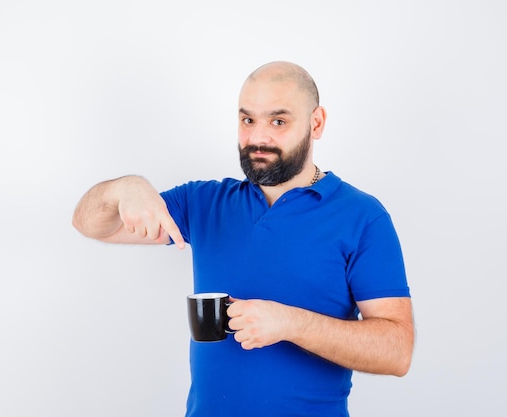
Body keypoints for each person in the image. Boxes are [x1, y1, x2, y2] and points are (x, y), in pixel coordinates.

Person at [72, 61, 414, 417]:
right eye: (248, 120)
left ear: (316, 123)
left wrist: (290, 324)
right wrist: (125, 188)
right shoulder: (204, 202)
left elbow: (397, 351)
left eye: (278, 121)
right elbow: (90, 223)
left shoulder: (362, 216)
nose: (258, 138)